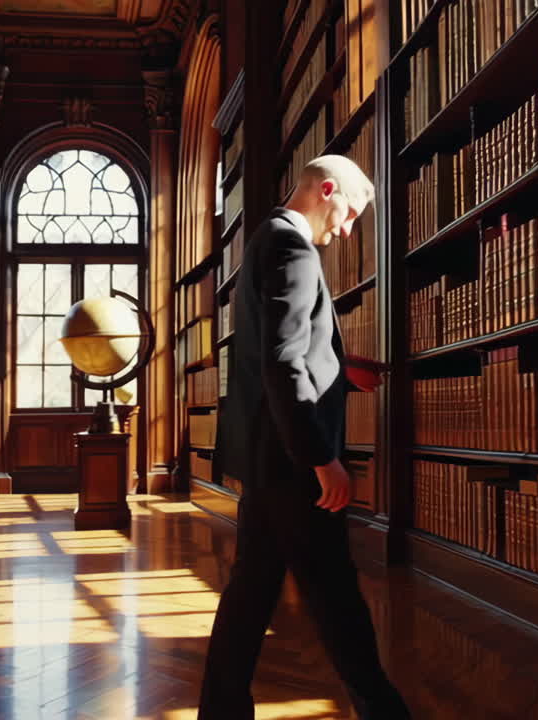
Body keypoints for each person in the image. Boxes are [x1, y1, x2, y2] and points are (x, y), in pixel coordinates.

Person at [200, 155, 410, 720]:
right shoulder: (293, 248)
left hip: (271, 459)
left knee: (250, 593)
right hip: (296, 466)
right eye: (350, 214)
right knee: (337, 597)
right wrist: (323, 460)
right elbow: (282, 362)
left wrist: (341, 367)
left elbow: (287, 354)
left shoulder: (267, 238)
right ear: (326, 189)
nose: (346, 231)